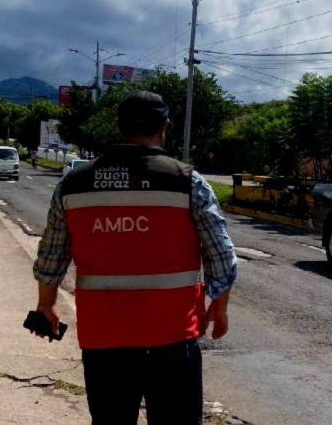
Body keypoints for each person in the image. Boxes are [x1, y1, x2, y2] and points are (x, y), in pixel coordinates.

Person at [32, 91, 237, 425]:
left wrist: (46, 304)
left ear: (118, 127)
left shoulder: (74, 185)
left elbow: (51, 257)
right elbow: (222, 256)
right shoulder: (189, 183)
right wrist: (220, 306)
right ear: (165, 127)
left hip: (103, 341)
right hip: (173, 341)